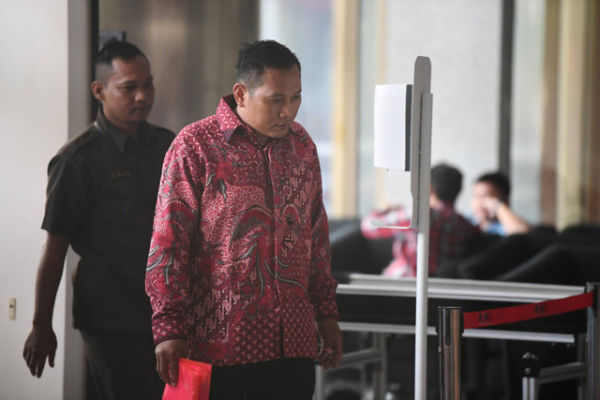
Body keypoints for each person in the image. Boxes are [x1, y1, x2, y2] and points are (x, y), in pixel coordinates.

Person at [145, 40, 342, 399]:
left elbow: (316, 235)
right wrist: (169, 328)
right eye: (276, 100)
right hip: (222, 347)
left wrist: (326, 313)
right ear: (241, 93)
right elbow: (168, 245)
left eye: (295, 98)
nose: (289, 112)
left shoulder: (302, 147)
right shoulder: (195, 145)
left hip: (293, 344)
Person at [22, 40, 175, 399]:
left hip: (165, 311)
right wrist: (41, 325)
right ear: (99, 91)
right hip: (111, 313)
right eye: (129, 88)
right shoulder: (77, 160)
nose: (142, 96)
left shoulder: (167, 146)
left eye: (148, 84)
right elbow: (55, 248)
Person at [361, 163, 482, 277]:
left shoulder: (418, 214)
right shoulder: (466, 226)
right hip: (442, 290)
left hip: (401, 284)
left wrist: (384, 210)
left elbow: (369, 226)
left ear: (429, 188)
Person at [470, 171, 530, 236]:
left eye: (487, 196)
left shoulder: (508, 225)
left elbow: (524, 236)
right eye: (477, 196)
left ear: (505, 199)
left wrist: (497, 206)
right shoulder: (466, 221)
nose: (480, 202)